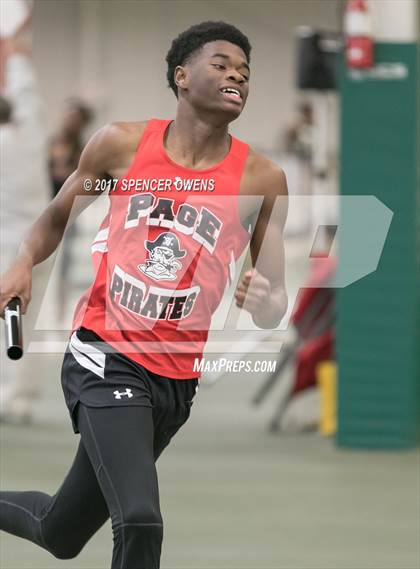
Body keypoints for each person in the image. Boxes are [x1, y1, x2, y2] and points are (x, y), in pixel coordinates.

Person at [0, 21, 288, 569]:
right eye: (222, 64)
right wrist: (21, 263)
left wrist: (264, 297)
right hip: (104, 355)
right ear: (182, 76)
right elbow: (57, 216)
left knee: (60, 531)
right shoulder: (121, 145)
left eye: (245, 72)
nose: (237, 76)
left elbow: (276, 301)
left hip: (175, 379)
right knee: (139, 517)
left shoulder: (262, 178)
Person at [0, 10, 50, 423]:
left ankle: (14, 396)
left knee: (13, 319)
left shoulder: (17, 138)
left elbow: (21, 97)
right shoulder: (29, 136)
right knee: (23, 321)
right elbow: (25, 95)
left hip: (14, 243)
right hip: (35, 242)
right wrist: (16, 52)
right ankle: (21, 396)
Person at [49, 98, 93, 322]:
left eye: (74, 117)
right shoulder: (50, 144)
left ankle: (59, 314)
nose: (68, 120)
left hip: (68, 216)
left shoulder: (83, 152)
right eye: (67, 115)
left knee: (63, 268)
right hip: (44, 213)